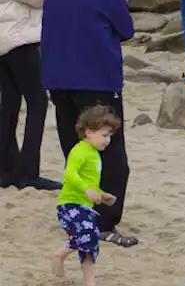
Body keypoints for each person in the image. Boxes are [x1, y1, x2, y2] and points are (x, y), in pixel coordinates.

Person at [42, 0, 136, 248]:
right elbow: (126, 29)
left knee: (75, 151)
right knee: (111, 156)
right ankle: (105, 223)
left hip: (59, 78)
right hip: (96, 79)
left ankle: (78, 215)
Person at [0, 0, 69, 191]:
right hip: (18, 40)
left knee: (10, 103)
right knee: (38, 101)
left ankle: (7, 169)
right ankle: (28, 172)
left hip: (6, 40)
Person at [50, 105, 120, 286]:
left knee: (88, 239)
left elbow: (90, 184)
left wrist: (103, 196)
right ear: (88, 132)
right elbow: (69, 175)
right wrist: (87, 190)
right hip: (69, 205)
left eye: (110, 136)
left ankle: (64, 259)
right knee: (89, 235)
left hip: (84, 206)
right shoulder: (79, 151)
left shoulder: (94, 154)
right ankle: (62, 257)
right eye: (104, 135)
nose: (108, 140)